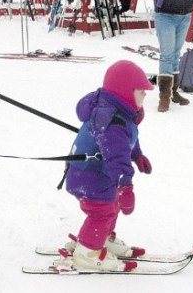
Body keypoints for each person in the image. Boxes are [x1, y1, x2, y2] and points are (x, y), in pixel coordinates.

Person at [60, 60, 154, 272]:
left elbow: (128, 140)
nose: (145, 96)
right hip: (89, 177)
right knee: (102, 212)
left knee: (111, 206)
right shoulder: (111, 122)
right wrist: (126, 187)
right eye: (142, 91)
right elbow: (118, 158)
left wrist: (137, 155)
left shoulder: (121, 114)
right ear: (126, 92)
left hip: (95, 175)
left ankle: (101, 238)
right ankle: (87, 251)